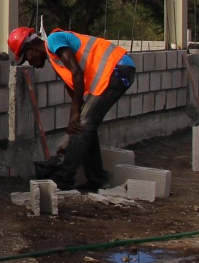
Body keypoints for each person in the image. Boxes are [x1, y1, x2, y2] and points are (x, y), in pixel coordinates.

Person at [8, 26, 136, 191]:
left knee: (83, 124)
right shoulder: (56, 60)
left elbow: (78, 73)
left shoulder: (54, 40)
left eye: (27, 58)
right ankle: (97, 179)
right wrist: (70, 133)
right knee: (84, 125)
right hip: (116, 71)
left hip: (117, 69)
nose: (30, 63)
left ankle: (64, 178)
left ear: (33, 48)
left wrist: (76, 118)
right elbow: (76, 97)